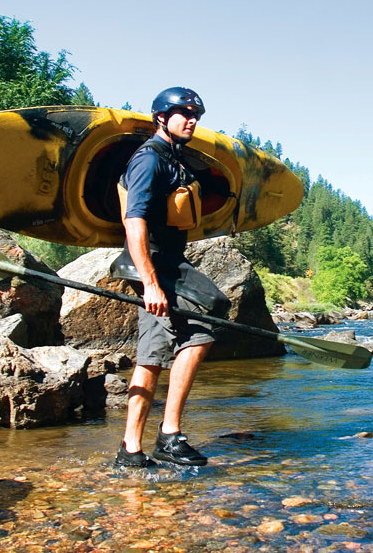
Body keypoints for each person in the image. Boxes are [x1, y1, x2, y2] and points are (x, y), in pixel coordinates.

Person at [114, 86, 229, 468]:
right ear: (161, 118)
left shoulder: (175, 158)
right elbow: (134, 222)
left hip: (171, 263)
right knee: (152, 353)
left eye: (196, 114)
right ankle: (130, 449)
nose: (192, 120)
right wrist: (150, 283)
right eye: (184, 113)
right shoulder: (149, 160)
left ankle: (169, 434)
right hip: (150, 263)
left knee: (208, 318)